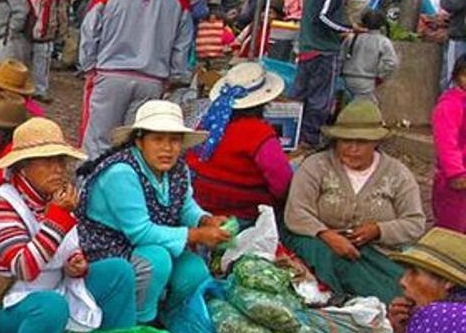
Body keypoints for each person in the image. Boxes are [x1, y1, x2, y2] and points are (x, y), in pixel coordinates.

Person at [0, 118, 137, 333]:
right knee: (50, 307)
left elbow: (64, 248)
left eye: (61, 161)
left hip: (54, 287)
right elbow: (24, 267)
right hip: (8, 305)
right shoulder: (0, 205)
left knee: (119, 272)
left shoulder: (52, 198)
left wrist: (75, 263)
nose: (58, 169)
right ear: (23, 167)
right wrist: (57, 219)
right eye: (47, 162)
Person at [79, 100, 230, 324]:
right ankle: (140, 322)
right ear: (140, 142)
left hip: (153, 243)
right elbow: (140, 232)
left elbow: (185, 205)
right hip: (108, 251)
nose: (167, 148)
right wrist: (197, 235)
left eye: (174, 140)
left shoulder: (177, 167)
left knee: (194, 271)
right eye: (158, 139)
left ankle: (170, 318)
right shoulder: (121, 172)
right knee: (157, 261)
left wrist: (205, 220)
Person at [283, 100, 426, 303]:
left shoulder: (397, 174)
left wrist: (378, 230)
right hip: (323, 249)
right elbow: (296, 212)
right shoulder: (316, 166)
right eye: (345, 141)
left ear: (376, 142)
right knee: (325, 256)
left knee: (400, 293)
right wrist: (327, 235)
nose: (352, 149)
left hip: (377, 256)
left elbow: (415, 223)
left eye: (361, 142)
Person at [79, 0, 194, 159]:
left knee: (98, 143)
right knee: (135, 148)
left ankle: (90, 192)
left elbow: (89, 29)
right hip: (153, 80)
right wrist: (177, 75)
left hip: (109, 75)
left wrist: (88, 65)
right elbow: (184, 42)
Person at [187, 61, 292, 222]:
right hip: (241, 213)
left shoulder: (209, 121)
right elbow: (282, 183)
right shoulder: (260, 133)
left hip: (198, 206)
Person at [294, 0, 360, 148]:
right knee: (320, 98)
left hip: (308, 48)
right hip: (322, 51)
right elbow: (323, 17)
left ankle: (294, 135)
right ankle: (310, 137)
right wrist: (346, 28)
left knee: (301, 94)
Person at [20, 0, 62, 103]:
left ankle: (40, 89)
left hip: (47, 19)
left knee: (44, 54)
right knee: (25, 53)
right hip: (28, 18)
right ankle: (22, 86)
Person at [433, 55, 466, 232]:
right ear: (456, 77)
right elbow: (446, 143)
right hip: (455, 180)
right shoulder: (450, 105)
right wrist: (456, 173)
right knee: (452, 227)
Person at [341, 8, 398, 103]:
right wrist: (380, 76)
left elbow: (340, 58)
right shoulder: (383, 42)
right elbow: (392, 63)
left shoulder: (351, 38)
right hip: (367, 80)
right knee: (368, 110)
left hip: (346, 79)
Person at [440, 0, 466, 90]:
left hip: (461, 34)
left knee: (454, 74)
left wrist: (443, 1)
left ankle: (453, 109)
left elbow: (454, 3)